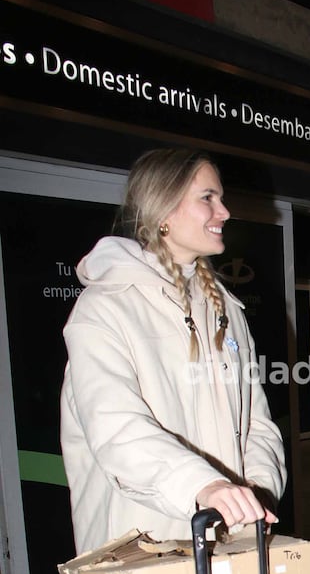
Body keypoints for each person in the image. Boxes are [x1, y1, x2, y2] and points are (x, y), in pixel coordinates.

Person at [60, 147, 287, 553]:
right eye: (207, 198)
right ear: (163, 209)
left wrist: (257, 488)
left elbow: (257, 422)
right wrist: (200, 485)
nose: (224, 212)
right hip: (143, 546)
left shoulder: (226, 310)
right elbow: (114, 426)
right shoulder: (106, 307)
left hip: (225, 537)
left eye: (220, 197)